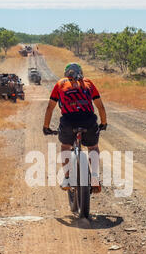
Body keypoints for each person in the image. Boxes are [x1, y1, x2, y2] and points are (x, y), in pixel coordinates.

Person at [43, 63, 107, 192]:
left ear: (66, 74)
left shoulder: (60, 83)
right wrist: (103, 123)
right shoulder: (88, 82)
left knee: (65, 146)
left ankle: (67, 178)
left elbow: (50, 107)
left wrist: (46, 126)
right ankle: (94, 176)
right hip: (88, 120)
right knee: (93, 147)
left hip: (68, 121)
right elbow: (100, 106)